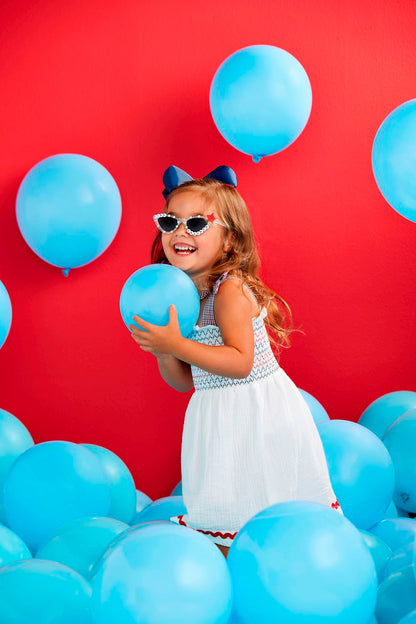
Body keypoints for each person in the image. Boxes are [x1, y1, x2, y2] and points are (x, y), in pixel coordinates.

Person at [130, 165, 341, 559]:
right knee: (224, 510)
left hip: (255, 415)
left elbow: (240, 362)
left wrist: (176, 341)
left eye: (195, 223)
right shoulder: (182, 296)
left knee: (264, 504)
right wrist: (164, 351)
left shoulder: (229, 291)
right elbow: (186, 382)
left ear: (229, 242)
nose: (179, 233)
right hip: (215, 418)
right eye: (170, 221)